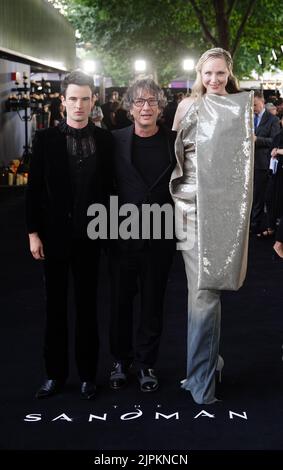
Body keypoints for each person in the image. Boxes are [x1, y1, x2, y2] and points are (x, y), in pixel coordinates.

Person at [170, 48, 254, 405]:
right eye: (208, 74)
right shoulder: (187, 107)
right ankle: (202, 377)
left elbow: (243, 165)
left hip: (224, 209)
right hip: (189, 208)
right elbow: (174, 157)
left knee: (209, 291)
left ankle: (205, 368)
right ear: (199, 75)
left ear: (229, 73)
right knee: (201, 293)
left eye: (220, 74)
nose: (214, 80)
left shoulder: (240, 107)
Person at [26, 70, 113, 400]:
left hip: (91, 238)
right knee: (55, 309)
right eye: (72, 99)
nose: (79, 105)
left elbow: (110, 189)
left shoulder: (104, 140)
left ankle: (88, 375)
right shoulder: (46, 140)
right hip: (55, 238)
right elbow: (34, 190)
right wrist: (33, 233)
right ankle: (55, 375)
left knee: (88, 308)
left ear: (93, 102)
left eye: (85, 99)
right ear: (63, 102)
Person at [109, 79, 176, 392]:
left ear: (161, 107)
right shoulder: (114, 141)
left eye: (152, 101)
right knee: (120, 303)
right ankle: (120, 362)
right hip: (121, 237)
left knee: (152, 304)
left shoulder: (175, 142)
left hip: (161, 237)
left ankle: (146, 363)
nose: (146, 107)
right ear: (129, 107)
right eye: (139, 102)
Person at [250, 91, 280, 236]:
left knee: (259, 196)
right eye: (251, 105)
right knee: (251, 197)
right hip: (248, 163)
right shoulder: (248, 118)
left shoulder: (272, 120)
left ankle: (255, 225)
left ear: (262, 102)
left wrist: (257, 139)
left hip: (262, 163)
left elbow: (275, 141)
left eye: (255, 104)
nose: (253, 108)